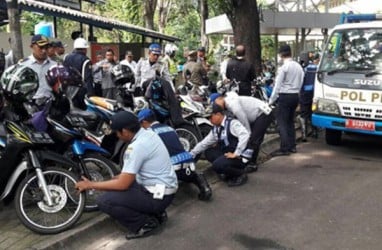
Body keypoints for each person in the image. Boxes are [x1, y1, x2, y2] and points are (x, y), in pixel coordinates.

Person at [75, 111, 178, 240]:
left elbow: (123, 184)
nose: (117, 136)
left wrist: (91, 185)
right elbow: (132, 175)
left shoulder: (136, 147)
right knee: (118, 182)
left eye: (117, 133)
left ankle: (145, 224)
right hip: (165, 189)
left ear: (125, 131)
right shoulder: (149, 134)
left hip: (158, 196)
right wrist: (118, 179)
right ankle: (157, 213)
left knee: (105, 201)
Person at [138, 108, 212, 201]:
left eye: (140, 123)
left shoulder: (149, 134)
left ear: (144, 122)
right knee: (189, 174)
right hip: (188, 165)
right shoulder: (169, 128)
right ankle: (203, 185)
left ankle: (158, 207)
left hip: (171, 172)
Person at [210, 92, 273, 172]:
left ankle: (252, 164)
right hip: (256, 115)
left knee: (253, 139)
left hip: (263, 113)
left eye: (215, 104)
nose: (216, 108)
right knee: (253, 139)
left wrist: (246, 137)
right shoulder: (227, 105)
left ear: (220, 99)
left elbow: (245, 124)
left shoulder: (233, 105)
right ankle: (249, 160)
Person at [190, 104, 250, 187]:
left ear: (218, 114)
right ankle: (227, 171)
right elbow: (204, 143)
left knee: (217, 165)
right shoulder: (216, 128)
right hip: (228, 154)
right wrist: (191, 154)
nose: (209, 120)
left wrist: (236, 153)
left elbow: (245, 135)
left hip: (239, 157)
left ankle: (240, 174)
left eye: (210, 117)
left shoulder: (232, 123)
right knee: (208, 152)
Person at [268, 44, 304, 156]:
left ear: (280, 55)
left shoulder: (283, 68)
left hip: (285, 96)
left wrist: (271, 101)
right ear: (290, 53)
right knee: (290, 121)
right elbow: (301, 81)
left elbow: (277, 86)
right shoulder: (298, 66)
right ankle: (292, 146)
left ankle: (284, 148)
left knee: (282, 122)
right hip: (295, 96)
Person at [19, 34, 57, 107]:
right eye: (41, 47)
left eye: (46, 47)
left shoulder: (54, 65)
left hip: (50, 104)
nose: (44, 51)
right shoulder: (23, 65)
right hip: (30, 105)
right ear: (32, 46)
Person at [63, 37, 94, 109]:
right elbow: (87, 78)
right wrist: (90, 94)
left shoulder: (66, 57)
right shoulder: (86, 60)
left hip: (67, 90)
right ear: (84, 49)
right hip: (80, 91)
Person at [299, 53, 320, 141]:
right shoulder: (318, 69)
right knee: (313, 112)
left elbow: (300, 82)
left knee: (304, 113)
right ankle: (314, 132)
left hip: (305, 93)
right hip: (315, 93)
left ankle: (304, 135)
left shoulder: (304, 69)